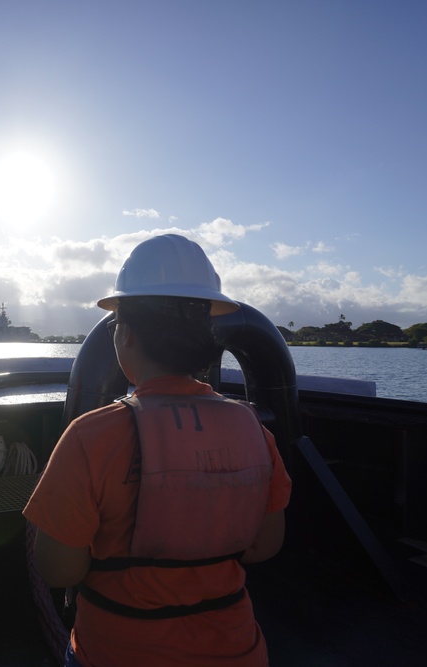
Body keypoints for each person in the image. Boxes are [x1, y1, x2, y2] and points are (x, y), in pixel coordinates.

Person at [23, 234, 292, 666]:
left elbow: (59, 571)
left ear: (125, 333)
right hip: (240, 651)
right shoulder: (254, 430)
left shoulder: (89, 436)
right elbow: (265, 545)